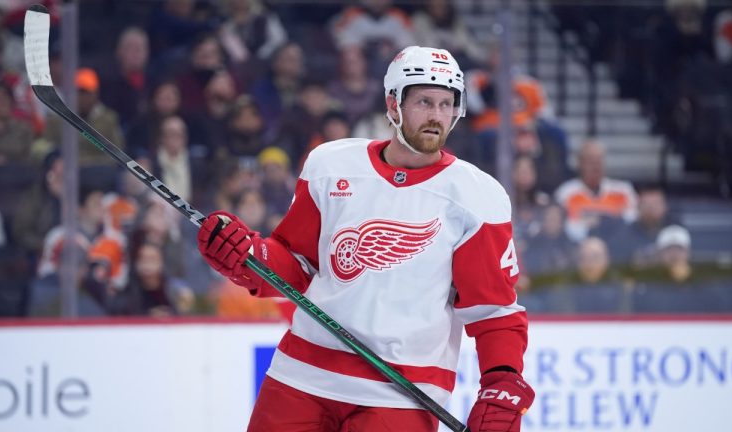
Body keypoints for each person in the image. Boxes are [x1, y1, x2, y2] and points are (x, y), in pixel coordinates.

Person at [197, 46, 534, 432]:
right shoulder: (330, 165)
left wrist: (503, 380)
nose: (436, 116)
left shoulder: (476, 197)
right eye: (424, 102)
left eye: (446, 104)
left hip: (402, 393)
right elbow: (298, 267)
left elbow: (492, 310)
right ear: (393, 104)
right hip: (303, 374)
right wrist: (249, 258)